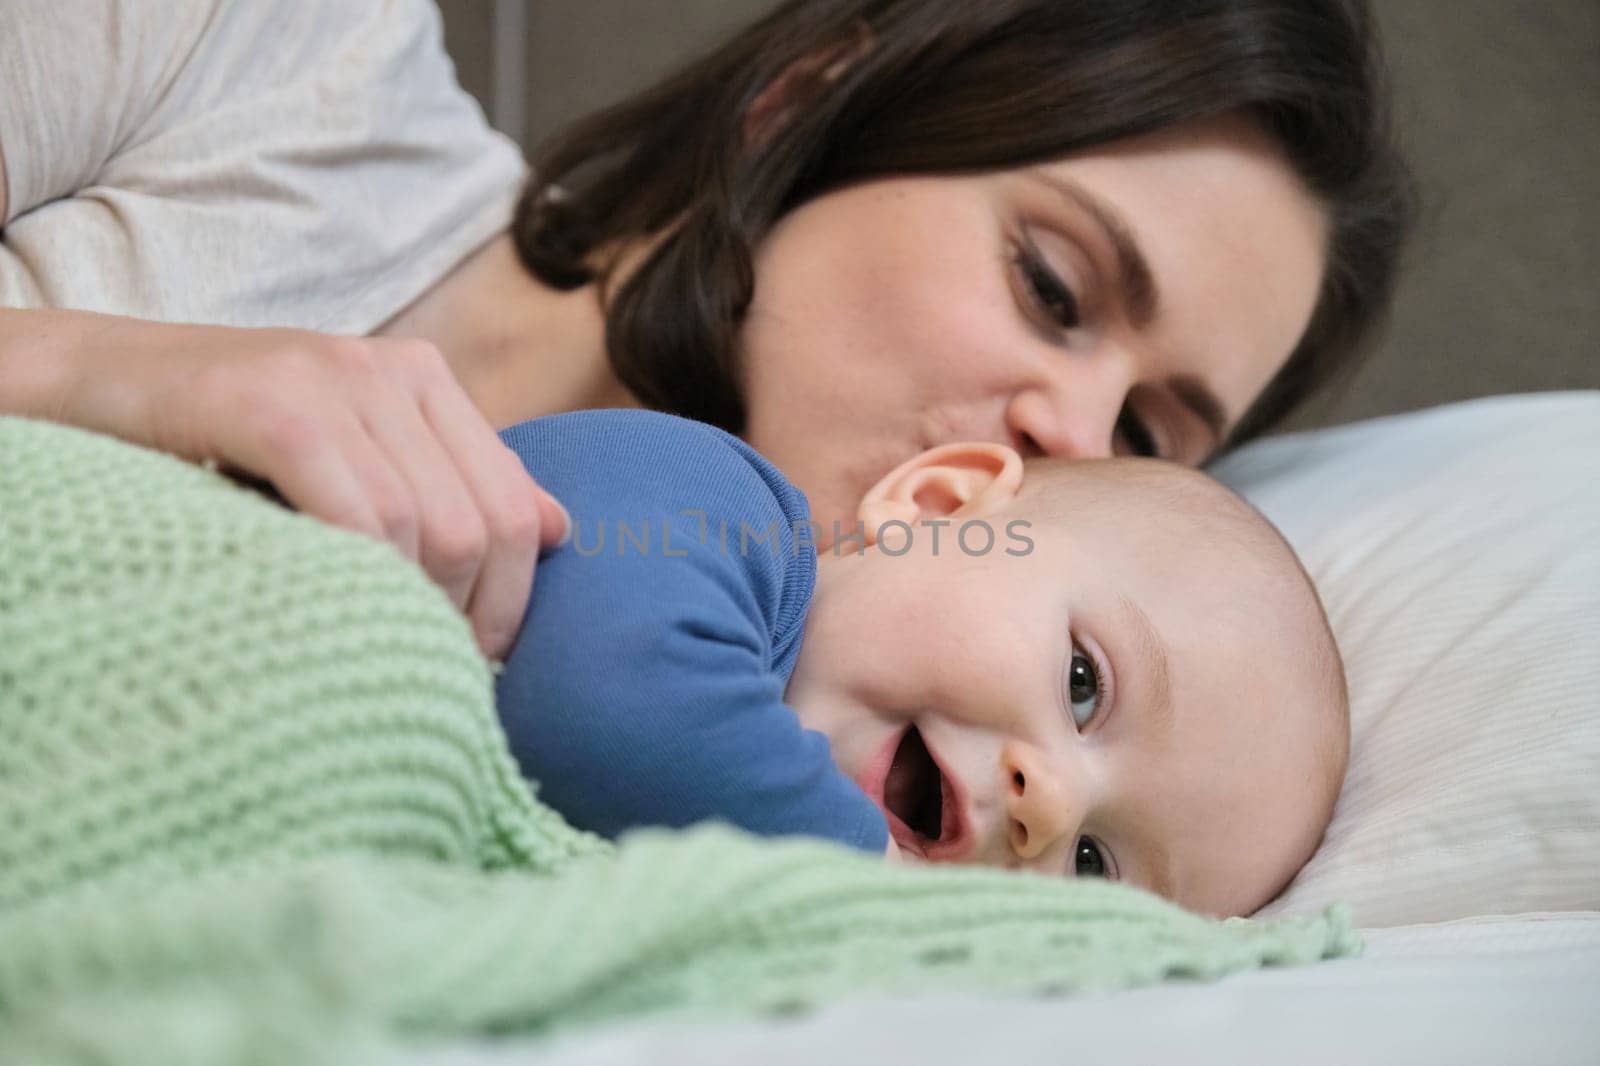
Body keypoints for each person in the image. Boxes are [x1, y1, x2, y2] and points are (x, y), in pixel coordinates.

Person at [0, 0, 1416, 662]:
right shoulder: (267, 49)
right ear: (805, 102)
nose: (1070, 431)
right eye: (1052, 285)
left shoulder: (766, 783)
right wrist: (107, 373)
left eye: (1147, 433)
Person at [494, 408, 1347, 919]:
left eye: (1093, 868)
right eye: (1082, 685)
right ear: (941, 505)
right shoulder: (705, 498)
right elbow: (601, 708)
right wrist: (869, 890)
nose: (1050, 805)